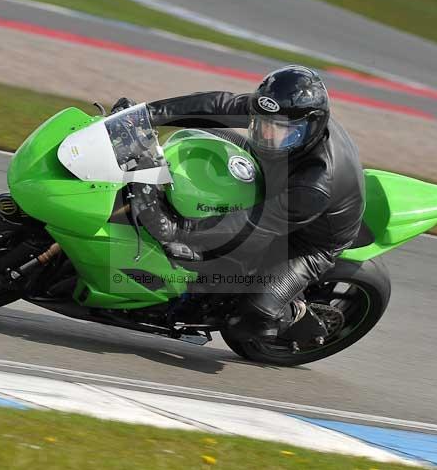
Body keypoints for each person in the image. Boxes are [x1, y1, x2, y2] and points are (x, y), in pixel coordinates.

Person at [118, 65, 365, 340]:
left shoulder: (316, 183)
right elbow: (218, 105)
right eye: (261, 125)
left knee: (252, 319)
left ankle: (294, 313)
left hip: (307, 239)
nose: (267, 136)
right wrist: (144, 115)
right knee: (201, 138)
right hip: (278, 178)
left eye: (280, 131)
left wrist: (177, 228)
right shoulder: (282, 114)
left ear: (311, 127)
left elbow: (250, 225)